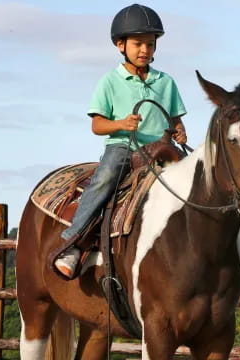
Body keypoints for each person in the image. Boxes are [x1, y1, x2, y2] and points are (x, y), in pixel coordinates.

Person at [54, 4, 188, 279]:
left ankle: (226, 254)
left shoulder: (166, 82)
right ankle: (73, 243)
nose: (145, 50)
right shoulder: (110, 82)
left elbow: (175, 119)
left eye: (150, 44)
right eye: (138, 44)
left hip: (162, 148)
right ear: (120, 45)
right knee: (105, 179)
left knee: (201, 180)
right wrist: (121, 125)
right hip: (124, 148)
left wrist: (180, 132)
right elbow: (97, 125)